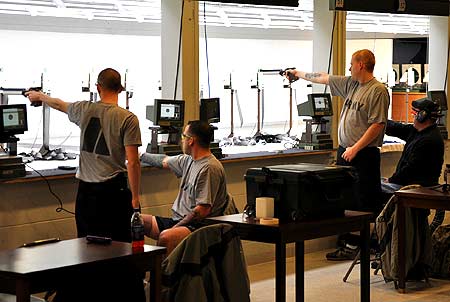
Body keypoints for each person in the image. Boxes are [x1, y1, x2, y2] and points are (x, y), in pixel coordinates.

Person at [26, 68, 145, 301]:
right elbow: (133, 162)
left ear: (98, 88)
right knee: (120, 252)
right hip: (114, 192)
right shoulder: (128, 118)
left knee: (87, 249)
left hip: (87, 194)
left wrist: (40, 97)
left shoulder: (84, 109)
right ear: (120, 89)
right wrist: (135, 199)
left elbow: (59, 104)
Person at [285, 49, 390, 260]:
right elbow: (323, 77)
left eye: (351, 64)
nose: (349, 68)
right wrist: (297, 73)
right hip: (346, 152)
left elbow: (377, 124)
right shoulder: (351, 84)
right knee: (347, 199)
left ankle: (369, 246)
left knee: (364, 200)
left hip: (363, 155)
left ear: (361, 64)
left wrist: (356, 148)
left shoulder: (377, 90)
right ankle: (350, 245)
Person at [140, 120, 232, 255]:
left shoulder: (209, 168)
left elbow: (202, 211)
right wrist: (140, 155)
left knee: (166, 237)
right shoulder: (188, 160)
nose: (181, 140)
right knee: (137, 222)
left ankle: (159, 276)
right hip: (179, 221)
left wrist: (175, 228)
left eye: (183, 136)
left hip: (199, 227)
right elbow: (163, 160)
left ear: (191, 141)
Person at [382, 97, 445, 233]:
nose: (413, 117)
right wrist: (378, 118)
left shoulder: (429, 140)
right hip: (407, 183)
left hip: (414, 186)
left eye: (414, 113)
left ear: (422, 116)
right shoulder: (417, 132)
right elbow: (396, 128)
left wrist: (392, 180)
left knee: (373, 187)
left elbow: (411, 169)